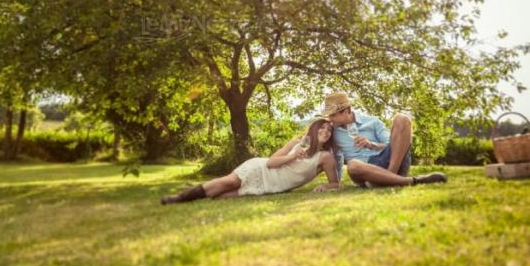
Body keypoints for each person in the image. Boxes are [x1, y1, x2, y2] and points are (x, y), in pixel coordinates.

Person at [161, 119, 340, 205]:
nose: (325, 131)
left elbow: (335, 183)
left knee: (221, 196)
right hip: (260, 169)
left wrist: (327, 186)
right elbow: (270, 163)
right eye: (322, 127)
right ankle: (179, 198)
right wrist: (293, 156)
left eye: (329, 130)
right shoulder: (296, 143)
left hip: (273, 186)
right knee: (228, 182)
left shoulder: (325, 158)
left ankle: (198, 188)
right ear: (314, 129)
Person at [318, 91, 447, 187]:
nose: (330, 119)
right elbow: (337, 158)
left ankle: (388, 178)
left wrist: (372, 144)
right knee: (352, 164)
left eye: (333, 115)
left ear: (345, 111)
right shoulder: (333, 132)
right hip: (366, 172)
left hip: (390, 162)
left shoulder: (373, 122)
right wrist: (335, 183)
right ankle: (412, 181)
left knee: (402, 118)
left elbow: (392, 145)